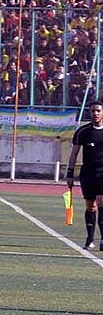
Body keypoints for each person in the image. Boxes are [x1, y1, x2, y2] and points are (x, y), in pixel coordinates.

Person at [66, 100, 103, 250]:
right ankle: (90, 239)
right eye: (93, 111)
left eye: (98, 111)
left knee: (101, 203)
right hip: (88, 173)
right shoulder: (83, 132)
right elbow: (74, 153)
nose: (95, 114)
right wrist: (70, 173)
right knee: (90, 206)